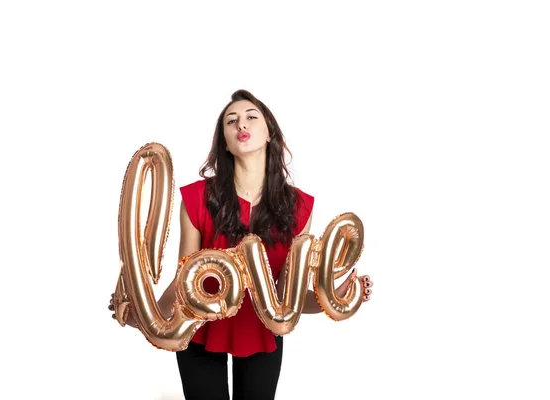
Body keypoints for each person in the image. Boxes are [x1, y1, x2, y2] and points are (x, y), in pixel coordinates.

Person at [109, 89, 373, 399]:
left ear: (269, 132)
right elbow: (182, 283)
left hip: (261, 333)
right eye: (231, 121)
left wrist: (333, 297)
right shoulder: (197, 199)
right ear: (224, 141)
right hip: (200, 333)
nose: (240, 125)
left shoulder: (299, 207)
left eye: (251, 117)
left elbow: (289, 294)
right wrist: (142, 314)